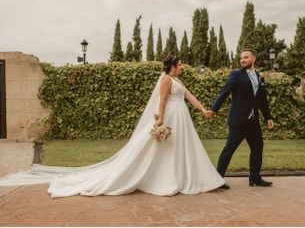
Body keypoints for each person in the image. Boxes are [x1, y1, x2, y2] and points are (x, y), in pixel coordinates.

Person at [0, 55, 225, 198]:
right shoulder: (166, 79)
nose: (182, 66)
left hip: (182, 118)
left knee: (180, 147)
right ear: (173, 66)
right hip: (171, 117)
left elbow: (189, 95)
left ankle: (184, 175)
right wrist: (160, 120)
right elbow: (162, 100)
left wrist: (203, 109)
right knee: (162, 149)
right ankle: (168, 177)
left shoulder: (178, 81)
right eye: (180, 63)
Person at [206, 49, 274, 189]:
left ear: (253, 59)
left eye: (246, 57)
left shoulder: (259, 77)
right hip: (238, 120)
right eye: (241, 58)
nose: (243, 60)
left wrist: (268, 117)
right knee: (229, 148)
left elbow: (262, 100)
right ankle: (218, 179)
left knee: (257, 148)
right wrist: (213, 110)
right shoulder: (236, 75)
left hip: (253, 121)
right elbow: (224, 92)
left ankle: (254, 178)